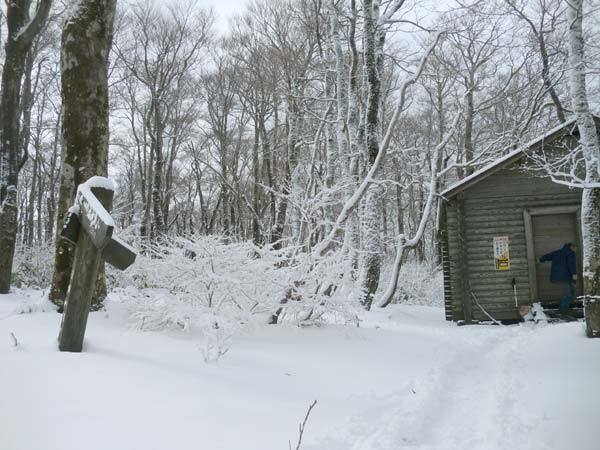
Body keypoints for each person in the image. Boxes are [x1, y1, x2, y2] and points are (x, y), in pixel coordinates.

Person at [539, 243, 577, 312]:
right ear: (571, 247)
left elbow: (546, 257)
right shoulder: (571, 253)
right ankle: (563, 309)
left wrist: (540, 259)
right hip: (566, 277)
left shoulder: (557, 252)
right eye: (575, 247)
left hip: (558, 277)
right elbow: (571, 264)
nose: (575, 249)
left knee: (569, 293)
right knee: (569, 294)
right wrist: (574, 273)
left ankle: (565, 307)